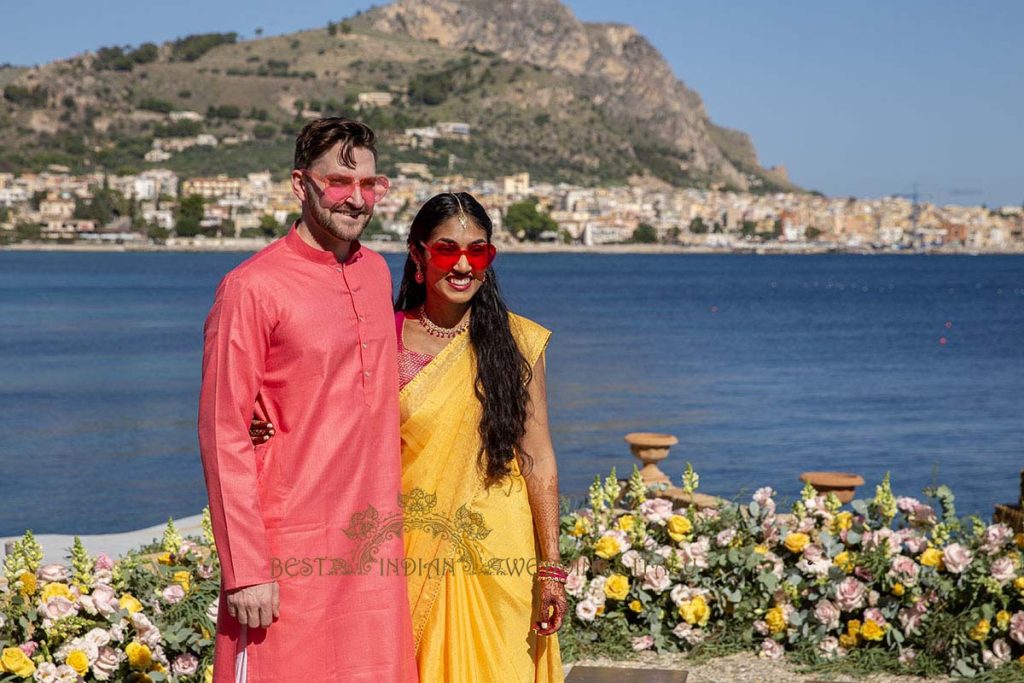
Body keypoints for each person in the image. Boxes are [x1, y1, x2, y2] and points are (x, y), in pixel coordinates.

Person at [253, 192, 567, 682]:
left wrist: (551, 567)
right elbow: (327, 427)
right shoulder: (382, 338)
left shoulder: (519, 343)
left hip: (501, 553)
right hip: (406, 554)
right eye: (447, 250)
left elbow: (538, 457)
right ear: (418, 255)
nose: (463, 265)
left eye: (478, 251)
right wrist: (266, 422)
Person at [198, 117, 417, 683]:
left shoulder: (374, 270)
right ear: (301, 184)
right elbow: (223, 433)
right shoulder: (250, 288)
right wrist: (246, 570)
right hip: (288, 551)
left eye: (370, 184)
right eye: (340, 182)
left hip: (373, 551)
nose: (357, 199)